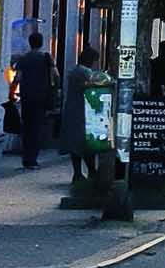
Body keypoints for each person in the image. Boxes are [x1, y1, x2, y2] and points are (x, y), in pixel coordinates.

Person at [11, 32, 57, 169]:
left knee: (27, 126)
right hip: (41, 97)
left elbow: (17, 78)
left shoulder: (23, 59)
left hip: (26, 97)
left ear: (30, 43)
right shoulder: (46, 58)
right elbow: (55, 75)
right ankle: (33, 159)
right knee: (37, 127)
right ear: (41, 42)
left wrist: (11, 93)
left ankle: (26, 157)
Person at [63, 46, 108, 183]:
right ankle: (91, 171)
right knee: (87, 144)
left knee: (75, 144)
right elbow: (99, 82)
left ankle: (79, 173)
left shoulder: (74, 71)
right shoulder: (85, 73)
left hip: (72, 110)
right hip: (84, 112)